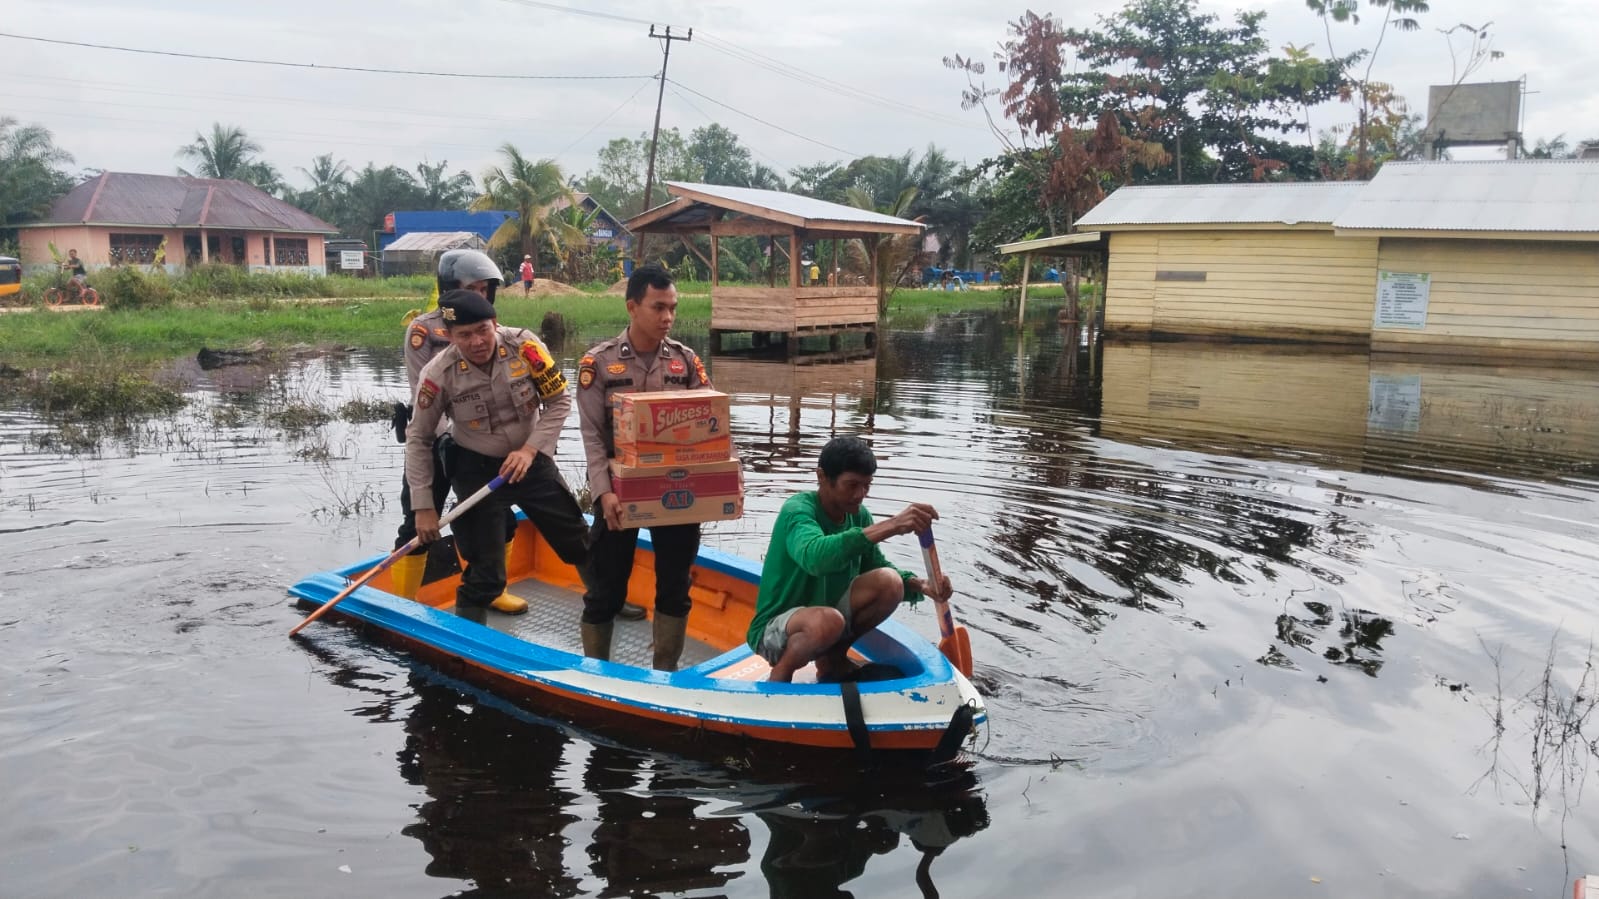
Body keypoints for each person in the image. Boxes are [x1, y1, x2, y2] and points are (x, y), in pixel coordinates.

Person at [405, 289, 592, 624]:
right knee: (485, 575)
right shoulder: (437, 374)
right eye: (465, 335)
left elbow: (560, 401)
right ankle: (467, 644)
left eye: (483, 330)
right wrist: (423, 506)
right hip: (476, 469)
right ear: (450, 336)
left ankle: (607, 601)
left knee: (579, 541)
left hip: (531, 461)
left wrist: (530, 450)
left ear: (495, 323)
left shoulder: (526, 346)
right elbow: (418, 438)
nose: (477, 341)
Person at [575, 263, 715, 669]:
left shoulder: (685, 362)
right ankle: (596, 673)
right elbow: (592, 437)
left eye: (672, 307)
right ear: (632, 307)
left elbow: (712, 422)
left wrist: (726, 480)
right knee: (605, 590)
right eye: (658, 307)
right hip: (620, 492)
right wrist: (604, 494)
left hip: (678, 492)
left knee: (675, 587)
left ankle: (665, 671)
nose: (668, 317)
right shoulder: (597, 364)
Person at [747, 436, 952, 682]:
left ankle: (832, 660)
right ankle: (779, 676)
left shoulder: (858, 515)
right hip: (775, 631)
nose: (860, 494)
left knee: (890, 582)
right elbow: (816, 557)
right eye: (852, 485)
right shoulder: (798, 511)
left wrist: (921, 585)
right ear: (822, 477)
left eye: (867, 486)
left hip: (827, 622)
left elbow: (876, 567)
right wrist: (893, 525)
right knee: (827, 621)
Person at [389, 250, 527, 614]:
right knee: (419, 523)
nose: (480, 297)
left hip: (475, 445)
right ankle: (404, 602)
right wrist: (451, 437)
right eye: (473, 288)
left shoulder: (488, 328)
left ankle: (494, 590)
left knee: (498, 517)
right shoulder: (424, 330)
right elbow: (425, 392)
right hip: (436, 442)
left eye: (486, 290)